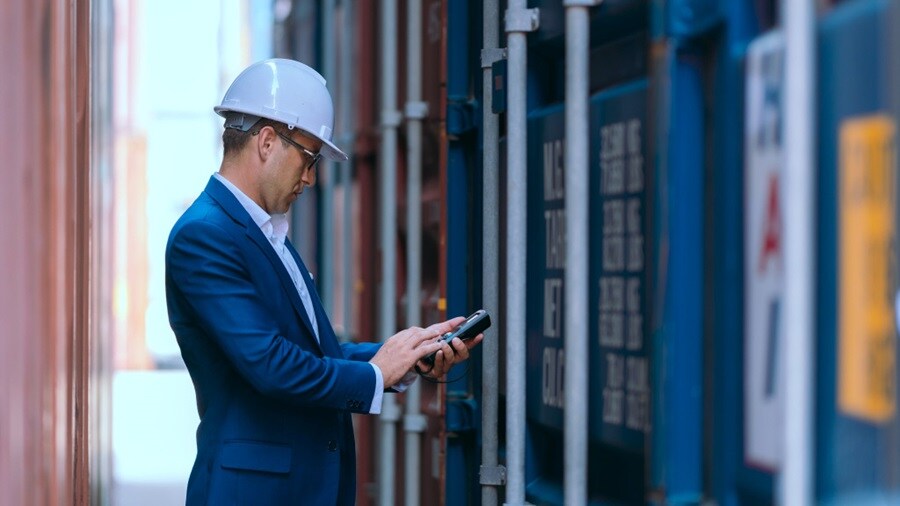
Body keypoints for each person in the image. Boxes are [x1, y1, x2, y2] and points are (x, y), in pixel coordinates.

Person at [165, 58, 482, 505]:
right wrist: (373, 375)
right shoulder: (204, 237)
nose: (311, 178)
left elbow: (312, 353)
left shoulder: (265, 232)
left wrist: (404, 356)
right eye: (309, 158)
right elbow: (270, 364)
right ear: (268, 141)